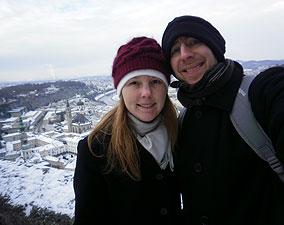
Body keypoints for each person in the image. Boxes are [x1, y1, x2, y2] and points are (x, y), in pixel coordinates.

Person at [161, 15, 284, 225]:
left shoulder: (260, 92)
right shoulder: (183, 121)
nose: (185, 54)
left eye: (193, 42)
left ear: (215, 47)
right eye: (174, 50)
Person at [73, 36, 180, 225]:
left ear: (165, 87)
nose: (146, 93)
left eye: (155, 81)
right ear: (121, 91)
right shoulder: (95, 150)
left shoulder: (179, 133)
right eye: (134, 83)